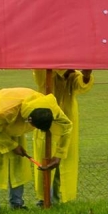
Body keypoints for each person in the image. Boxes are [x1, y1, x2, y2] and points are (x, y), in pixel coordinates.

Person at [0, 87, 72, 214]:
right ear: (29, 120)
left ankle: (17, 204)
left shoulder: (52, 109)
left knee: (18, 166)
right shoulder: (5, 111)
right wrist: (12, 145)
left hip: (16, 129)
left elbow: (67, 126)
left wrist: (59, 155)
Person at [32, 69, 93, 203]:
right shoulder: (46, 73)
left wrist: (87, 76)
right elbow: (38, 72)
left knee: (63, 159)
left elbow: (81, 85)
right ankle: (44, 199)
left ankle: (56, 198)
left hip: (67, 120)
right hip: (47, 120)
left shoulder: (72, 75)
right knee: (45, 157)